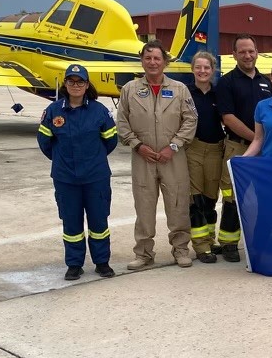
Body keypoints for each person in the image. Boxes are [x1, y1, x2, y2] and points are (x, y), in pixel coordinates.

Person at [117, 40, 198, 270]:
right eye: (148, 58)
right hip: (143, 158)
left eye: (157, 58)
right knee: (143, 205)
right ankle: (143, 253)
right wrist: (136, 145)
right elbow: (122, 122)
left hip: (173, 157)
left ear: (165, 62)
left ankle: (181, 249)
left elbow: (191, 120)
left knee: (177, 203)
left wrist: (173, 146)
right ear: (142, 61)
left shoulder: (180, 89)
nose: (152, 62)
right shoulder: (130, 90)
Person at [38, 64, 118, 280]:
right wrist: (63, 162)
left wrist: (93, 160)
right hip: (66, 179)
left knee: (99, 222)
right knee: (71, 223)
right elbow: (45, 142)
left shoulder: (99, 111)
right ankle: (74, 264)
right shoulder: (53, 111)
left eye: (80, 81)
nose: (75, 85)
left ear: (86, 84)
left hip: (96, 177)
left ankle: (102, 262)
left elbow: (111, 140)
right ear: (65, 84)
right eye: (71, 81)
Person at [214, 34, 272, 262]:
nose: (248, 55)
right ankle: (228, 243)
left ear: (257, 52)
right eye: (243, 52)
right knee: (232, 195)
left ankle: (259, 239)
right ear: (235, 54)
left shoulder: (267, 83)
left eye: (251, 51)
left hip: (263, 151)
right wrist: (256, 138)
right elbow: (228, 118)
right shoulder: (227, 82)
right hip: (237, 147)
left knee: (261, 195)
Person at [185, 51, 225, 264]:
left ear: (213, 70)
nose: (202, 71)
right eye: (198, 67)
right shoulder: (185, 93)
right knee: (196, 199)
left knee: (211, 198)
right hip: (193, 149)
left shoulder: (219, 94)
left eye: (207, 68)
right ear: (192, 69)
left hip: (216, 149)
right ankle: (200, 246)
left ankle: (209, 239)